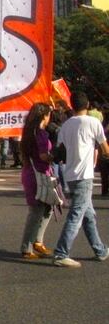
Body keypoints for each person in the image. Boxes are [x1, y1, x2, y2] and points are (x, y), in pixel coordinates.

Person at [52, 92, 109, 268]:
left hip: (70, 175)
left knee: (88, 214)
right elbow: (105, 148)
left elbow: (59, 150)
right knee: (77, 215)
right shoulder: (93, 122)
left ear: (72, 106)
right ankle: (61, 253)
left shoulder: (65, 126)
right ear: (88, 104)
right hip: (84, 174)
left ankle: (100, 249)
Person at [19, 103, 55, 259]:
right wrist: (57, 155)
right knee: (37, 210)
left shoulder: (28, 132)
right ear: (44, 116)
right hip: (39, 174)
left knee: (47, 207)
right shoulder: (40, 134)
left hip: (31, 172)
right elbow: (43, 156)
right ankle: (27, 246)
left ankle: (37, 241)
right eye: (48, 115)